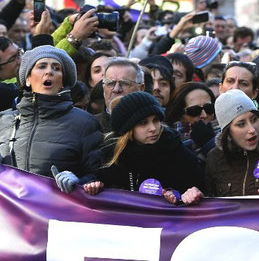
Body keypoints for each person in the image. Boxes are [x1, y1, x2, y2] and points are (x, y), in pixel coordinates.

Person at [0, 46, 102, 186]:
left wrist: (78, 182)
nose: (49, 71)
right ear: (28, 79)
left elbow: (98, 176)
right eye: (41, 66)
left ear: (63, 81)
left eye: (56, 68)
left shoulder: (85, 123)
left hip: (58, 207)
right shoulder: (3, 120)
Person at [82, 92, 204, 205]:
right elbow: (98, 187)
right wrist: (94, 186)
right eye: (143, 123)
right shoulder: (111, 157)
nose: (153, 128)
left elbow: (199, 190)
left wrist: (183, 195)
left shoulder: (177, 151)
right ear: (128, 130)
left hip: (169, 224)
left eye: (155, 120)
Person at [165, 82, 217, 160]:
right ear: (180, 113)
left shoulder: (227, 134)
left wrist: (210, 143)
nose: (204, 115)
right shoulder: (168, 141)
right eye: (194, 110)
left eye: (209, 108)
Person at [95, 58, 145, 133]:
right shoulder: (91, 125)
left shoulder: (154, 125)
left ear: (141, 89)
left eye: (125, 83)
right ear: (103, 89)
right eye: (110, 83)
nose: (116, 89)